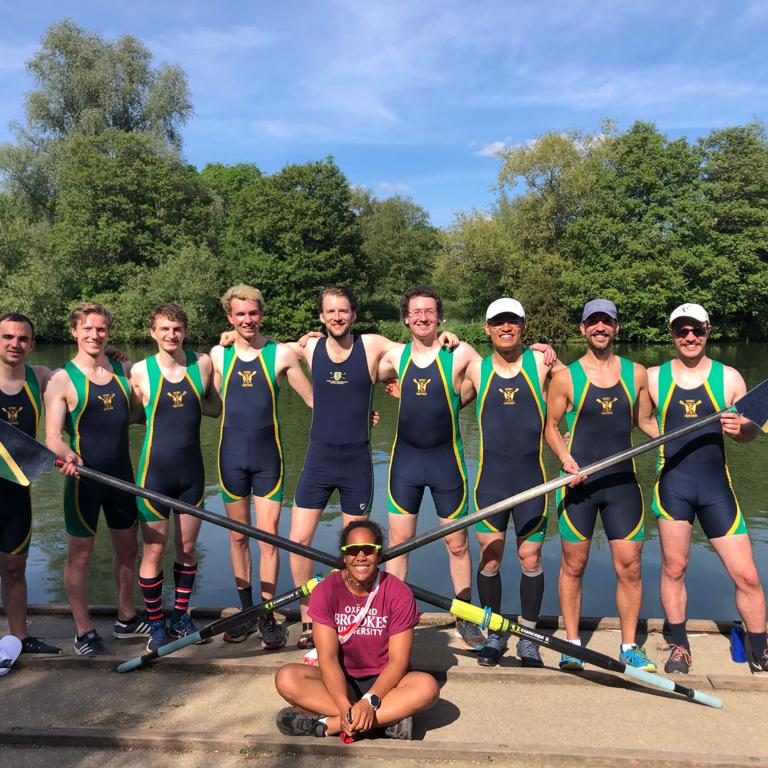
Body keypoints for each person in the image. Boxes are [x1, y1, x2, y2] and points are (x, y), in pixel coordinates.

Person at [285, 287, 458, 651]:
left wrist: (444, 336)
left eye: (343, 311)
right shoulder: (308, 347)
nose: (337, 317)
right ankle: (307, 617)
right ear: (320, 316)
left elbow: (416, 350)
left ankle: (351, 616)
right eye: (330, 311)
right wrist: (229, 337)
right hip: (317, 461)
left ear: (354, 315)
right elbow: (263, 347)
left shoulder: (373, 345)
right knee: (298, 541)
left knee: (357, 549)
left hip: (356, 464)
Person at [648, 303, 768, 673]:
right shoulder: (652, 377)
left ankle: (760, 648)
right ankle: (679, 645)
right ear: (672, 334)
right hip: (673, 488)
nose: (689, 337)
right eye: (682, 330)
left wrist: (743, 430)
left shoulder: (729, 377)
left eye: (696, 330)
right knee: (674, 568)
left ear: (707, 330)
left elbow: (750, 431)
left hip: (717, 489)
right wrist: (664, 439)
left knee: (746, 574)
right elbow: (633, 414)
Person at [544, 299, 657, 672]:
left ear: (616, 328)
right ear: (582, 329)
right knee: (573, 565)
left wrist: (676, 441)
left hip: (622, 485)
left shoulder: (636, 373)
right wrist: (565, 460)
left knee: (630, 567)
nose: (599, 328)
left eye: (606, 322)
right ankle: (572, 644)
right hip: (579, 485)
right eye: (592, 322)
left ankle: (629, 646)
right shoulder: (566, 377)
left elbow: (645, 421)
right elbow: (552, 427)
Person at [377, 285, 485, 651]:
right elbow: (345, 365)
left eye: (429, 312)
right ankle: (393, 617)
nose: (422, 317)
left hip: (447, 464)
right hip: (405, 463)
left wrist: (545, 354)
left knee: (457, 544)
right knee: (398, 545)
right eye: (415, 312)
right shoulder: (394, 357)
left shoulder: (461, 353)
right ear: (406, 318)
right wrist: (312, 340)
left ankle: (466, 616)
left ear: (440, 317)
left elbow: (503, 376)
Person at [210, 285, 313, 647]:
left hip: (269, 459)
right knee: (238, 537)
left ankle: (268, 613)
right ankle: (246, 612)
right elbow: (187, 382)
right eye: (240, 314)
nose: (247, 320)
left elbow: (314, 399)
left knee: (268, 539)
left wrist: (360, 413)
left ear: (261, 314)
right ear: (230, 318)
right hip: (230, 458)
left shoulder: (281, 355)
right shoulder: (217, 356)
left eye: (253, 313)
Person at [463, 298, 564, 667]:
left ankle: (528, 636)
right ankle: (494, 633)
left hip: (531, 480)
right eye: (498, 322)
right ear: (487, 328)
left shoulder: (540, 362)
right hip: (490, 481)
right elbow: (440, 400)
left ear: (523, 326)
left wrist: (555, 355)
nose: (506, 328)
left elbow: (579, 383)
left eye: (513, 322)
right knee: (490, 558)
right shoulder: (475, 368)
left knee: (530, 556)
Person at [273, 520, 439, 741]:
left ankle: (326, 725)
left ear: (379, 555)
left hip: (386, 684)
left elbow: (398, 662)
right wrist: (343, 705)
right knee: (286, 678)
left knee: (427, 687)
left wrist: (369, 701)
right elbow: (328, 658)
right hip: (340, 680)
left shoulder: (399, 592)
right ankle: (384, 723)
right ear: (344, 556)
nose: (361, 557)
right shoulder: (327, 590)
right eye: (352, 551)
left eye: (369, 550)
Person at [44, 302, 147, 655]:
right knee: (80, 556)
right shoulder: (62, 379)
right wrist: (66, 454)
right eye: (87, 328)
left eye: (101, 329)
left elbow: (157, 380)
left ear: (108, 333)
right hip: (83, 479)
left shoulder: (122, 368)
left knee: (128, 549)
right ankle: (83, 631)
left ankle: (127, 618)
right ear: (75, 331)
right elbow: (53, 437)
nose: (94, 335)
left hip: (122, 476)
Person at [131, 304, 221, 652]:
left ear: (185, 331)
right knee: (153, 550)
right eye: (165, 329)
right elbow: (132, 416)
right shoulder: (140, 371)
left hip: (191, 475)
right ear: (153, 332)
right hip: (154, 474)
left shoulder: (202, 364)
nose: (171, 335)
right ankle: (156, 624)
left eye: (177, 329)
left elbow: (213, 407)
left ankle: (181, 616)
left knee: (186, 548)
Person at [0, 313, 61, 655]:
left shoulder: (40, 378)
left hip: (17, 489)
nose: (15, 344)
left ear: (32, 344)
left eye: (23, 339)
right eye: (8, 337)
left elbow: (83, 374)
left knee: (14, 566)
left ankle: (20, 638)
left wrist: (112, 354)